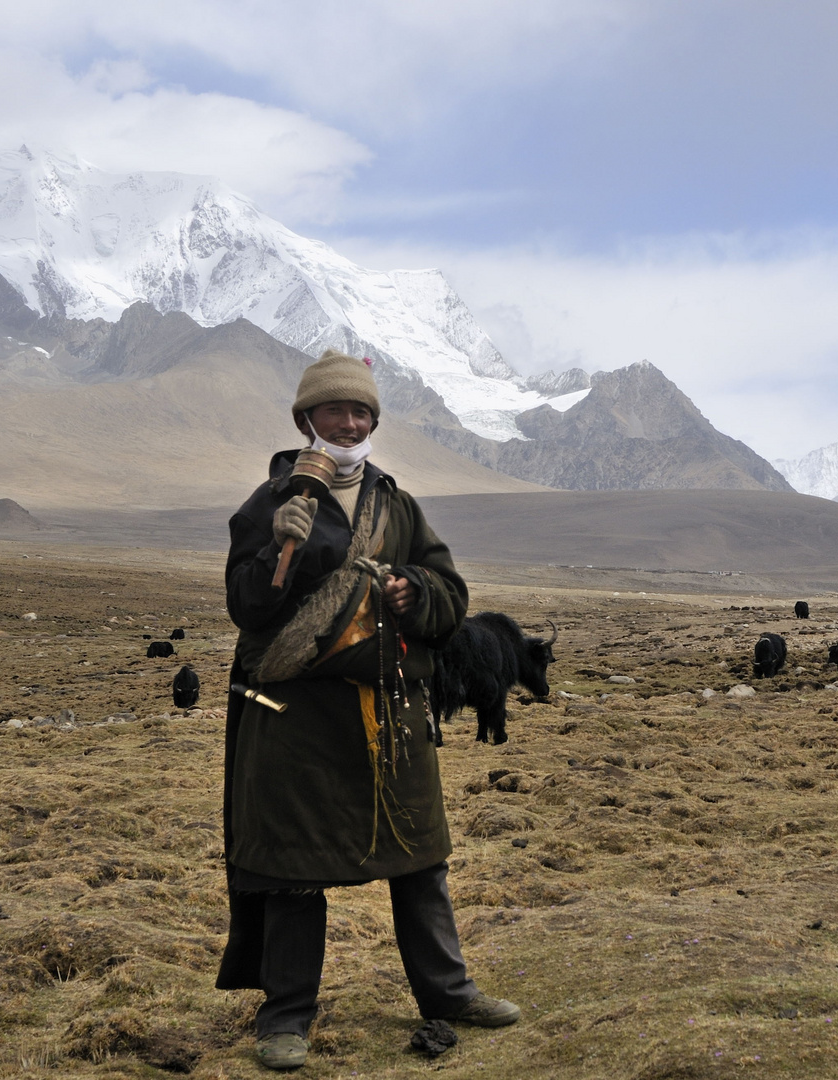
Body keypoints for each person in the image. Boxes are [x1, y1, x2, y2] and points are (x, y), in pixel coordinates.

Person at [216, 349, 520, 1071]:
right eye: (335, 410)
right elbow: (246, 609)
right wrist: (278, 552)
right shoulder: (270, 504)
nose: (350, 422)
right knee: (293, 870)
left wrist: (416, 591)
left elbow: (452, 594)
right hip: (298, 720)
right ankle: (286, 1016)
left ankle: (447, 992)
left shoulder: (396, 503)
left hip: (389, 713)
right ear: (306, 418)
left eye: (362, 411)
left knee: (421, 862)